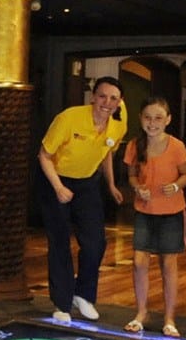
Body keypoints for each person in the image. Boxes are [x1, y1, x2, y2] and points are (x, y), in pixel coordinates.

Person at [37, 77, 127, 322]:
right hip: (56, 178)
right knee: (59, 243)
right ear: (93, 98)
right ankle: (62, 304)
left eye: (113, 98)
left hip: (87, 182)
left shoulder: (118, 124)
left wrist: (110, 184)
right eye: (102, 96)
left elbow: (107, 151)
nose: (106, 103)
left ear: (119, 102)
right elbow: (44, 156)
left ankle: (84, 295)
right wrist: (58, 187)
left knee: (96, 242)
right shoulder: (69, 118)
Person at [124, 96, 186, 338]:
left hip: (171, 212)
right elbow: (132, 175)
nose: (152, 123)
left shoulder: (176, 146)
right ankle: (142, 312)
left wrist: (176, 186)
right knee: (139, 261)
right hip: (144, 210)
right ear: (141, 119)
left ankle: (169, 318)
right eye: (148, 117)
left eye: (158, 118)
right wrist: (136, 187)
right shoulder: (135, 145)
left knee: (168, 264)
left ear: (168, 120)